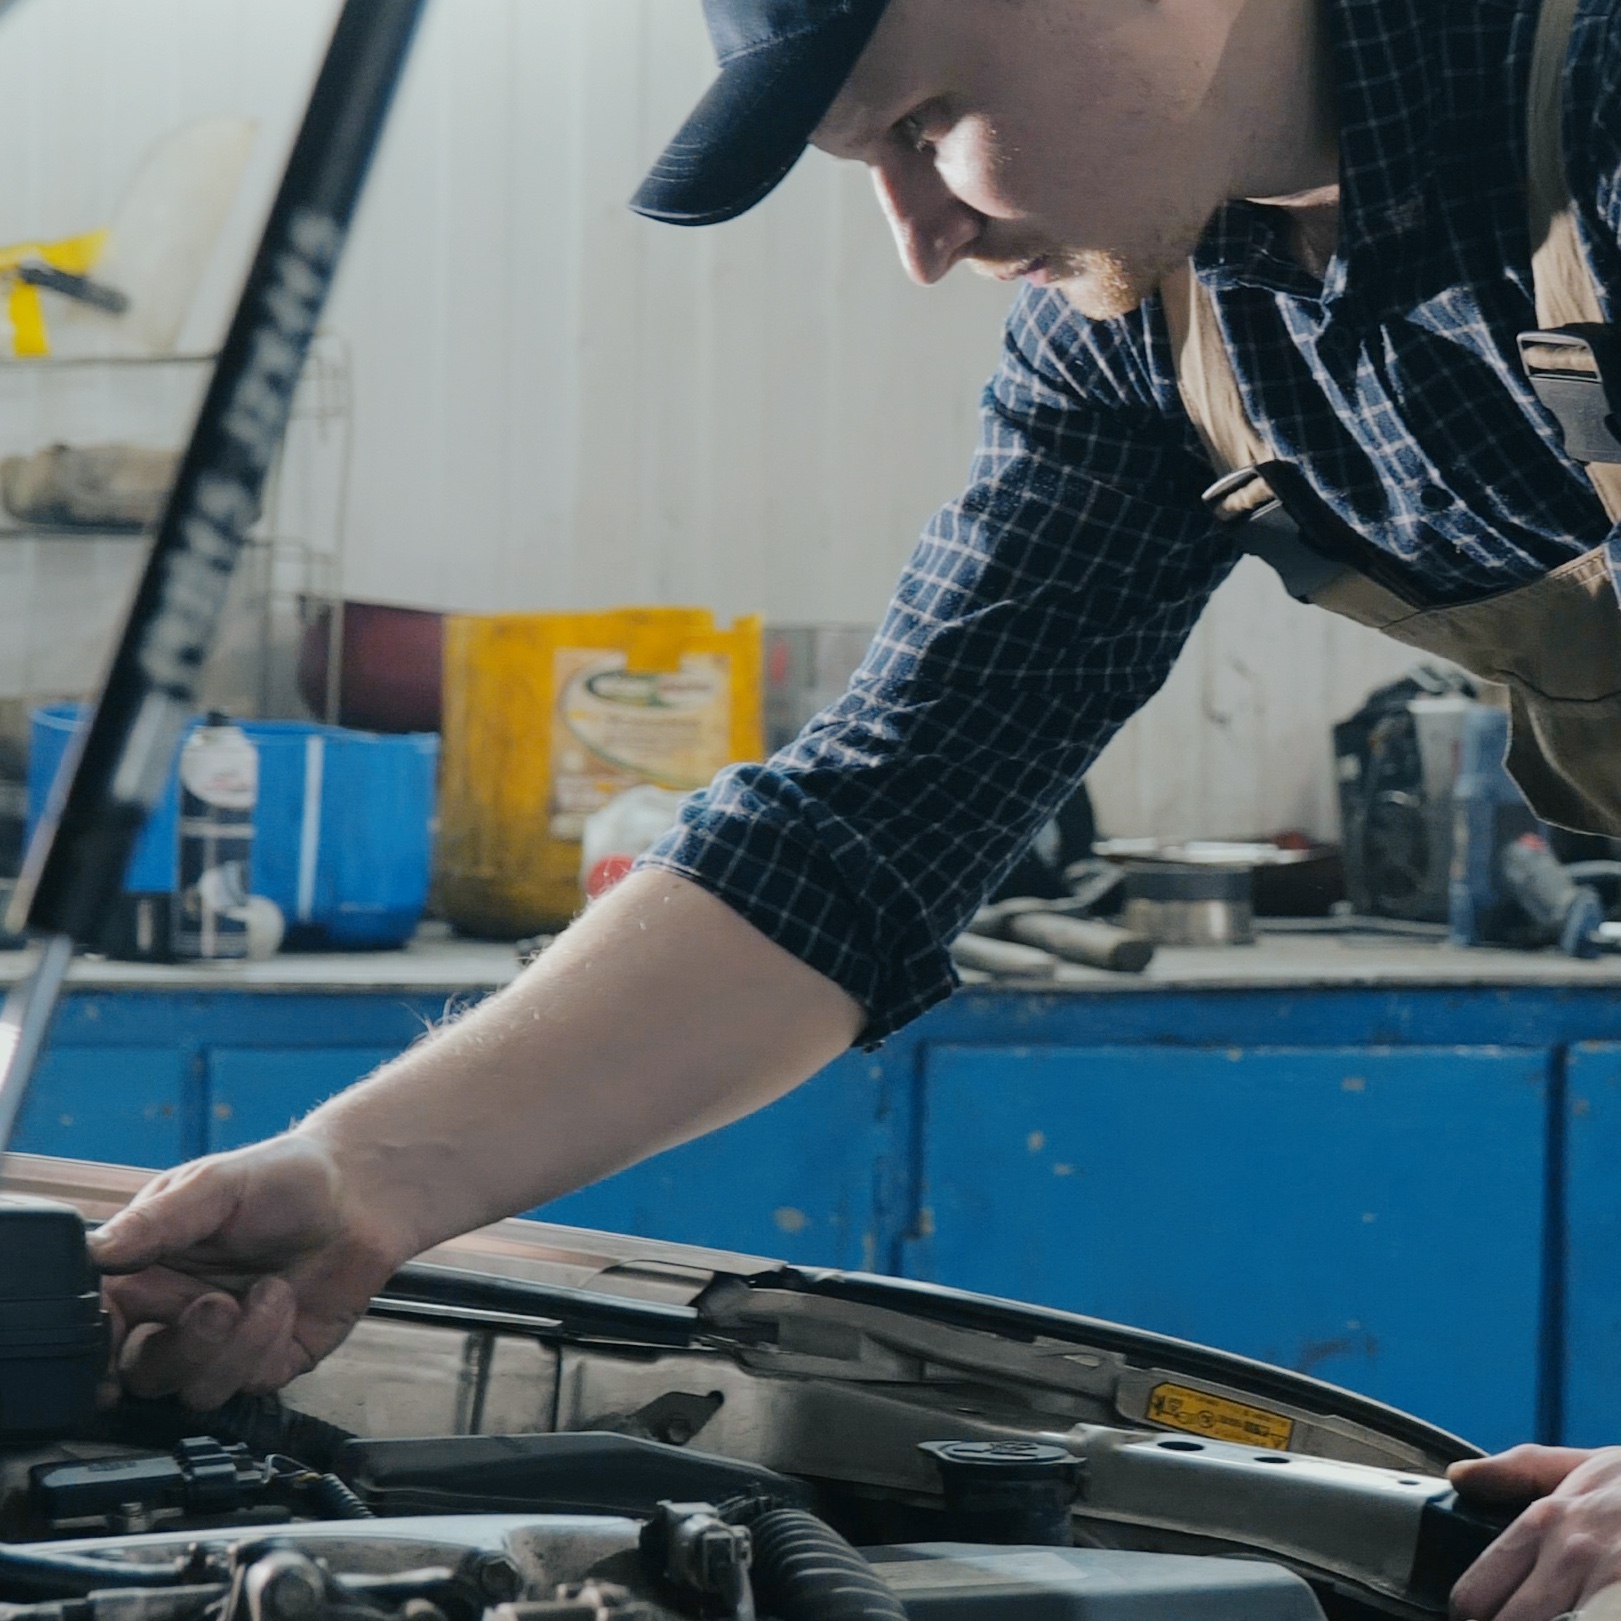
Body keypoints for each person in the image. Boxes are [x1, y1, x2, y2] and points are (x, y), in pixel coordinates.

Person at [84, 0, 1621, 1615]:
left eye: (923, 123)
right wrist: (366, 1174)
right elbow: (862, 829)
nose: (920, 238)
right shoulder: (1159, 329)